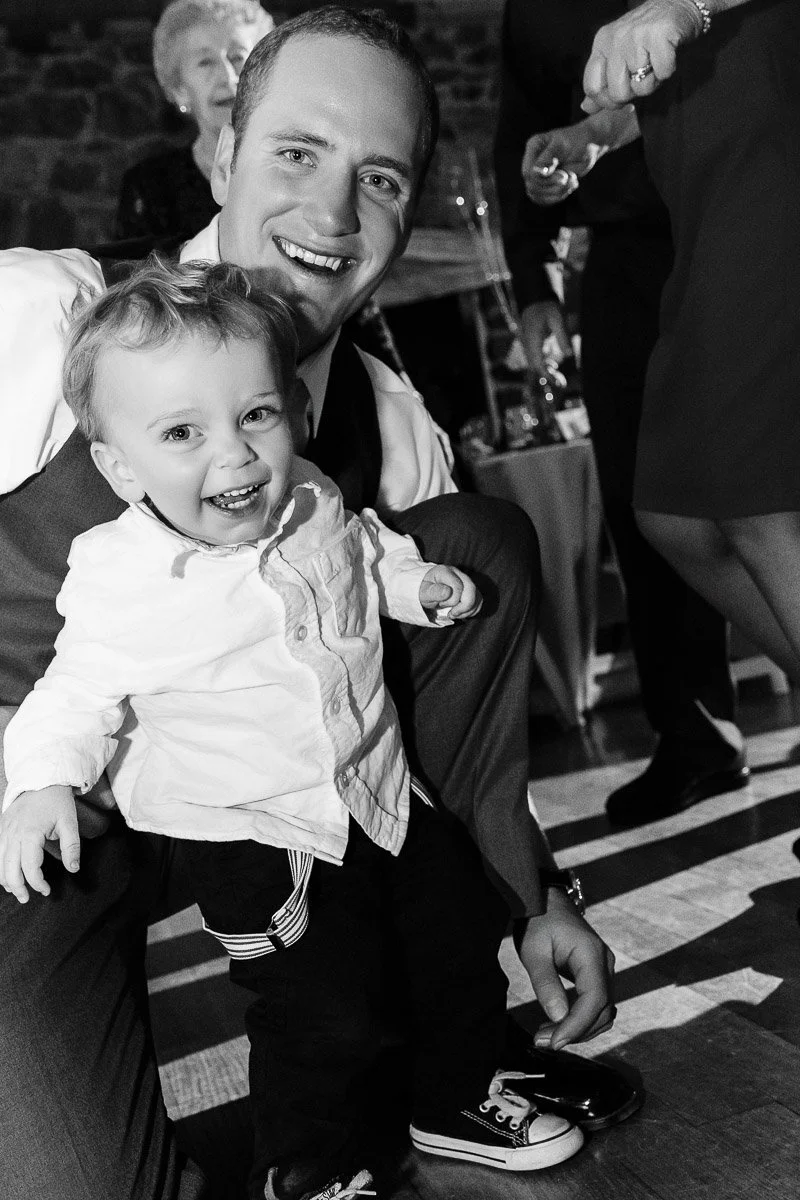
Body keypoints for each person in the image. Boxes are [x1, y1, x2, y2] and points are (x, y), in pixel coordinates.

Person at [0, 10, 624, 1200]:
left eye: (376, 178)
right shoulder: (44, 319)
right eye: (296, 153)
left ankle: (434, 1067)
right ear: (221, 151)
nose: (332, 216)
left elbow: (448, 702)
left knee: (470, 540)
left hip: (261, 817)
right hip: (36, 824)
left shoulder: (387, 426)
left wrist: (539, 898)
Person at [493, 0, 747, 827]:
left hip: (739, 226)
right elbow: (521, 128)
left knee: (770, 495)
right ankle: (696, 734)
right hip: (624, 261)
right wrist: (533, 282)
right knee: (649, 511)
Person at [581, 0, 800, 692]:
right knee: (675, 515)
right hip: (708, 196)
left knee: (758, 500)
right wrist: (602, 131)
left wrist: (689, 3)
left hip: (770, 171)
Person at [116, 0, 274, 241]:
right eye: (205, 62)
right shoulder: (150, 188)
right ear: (180, 90)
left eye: (238, 57)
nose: (227, 76)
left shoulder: (294, 170)